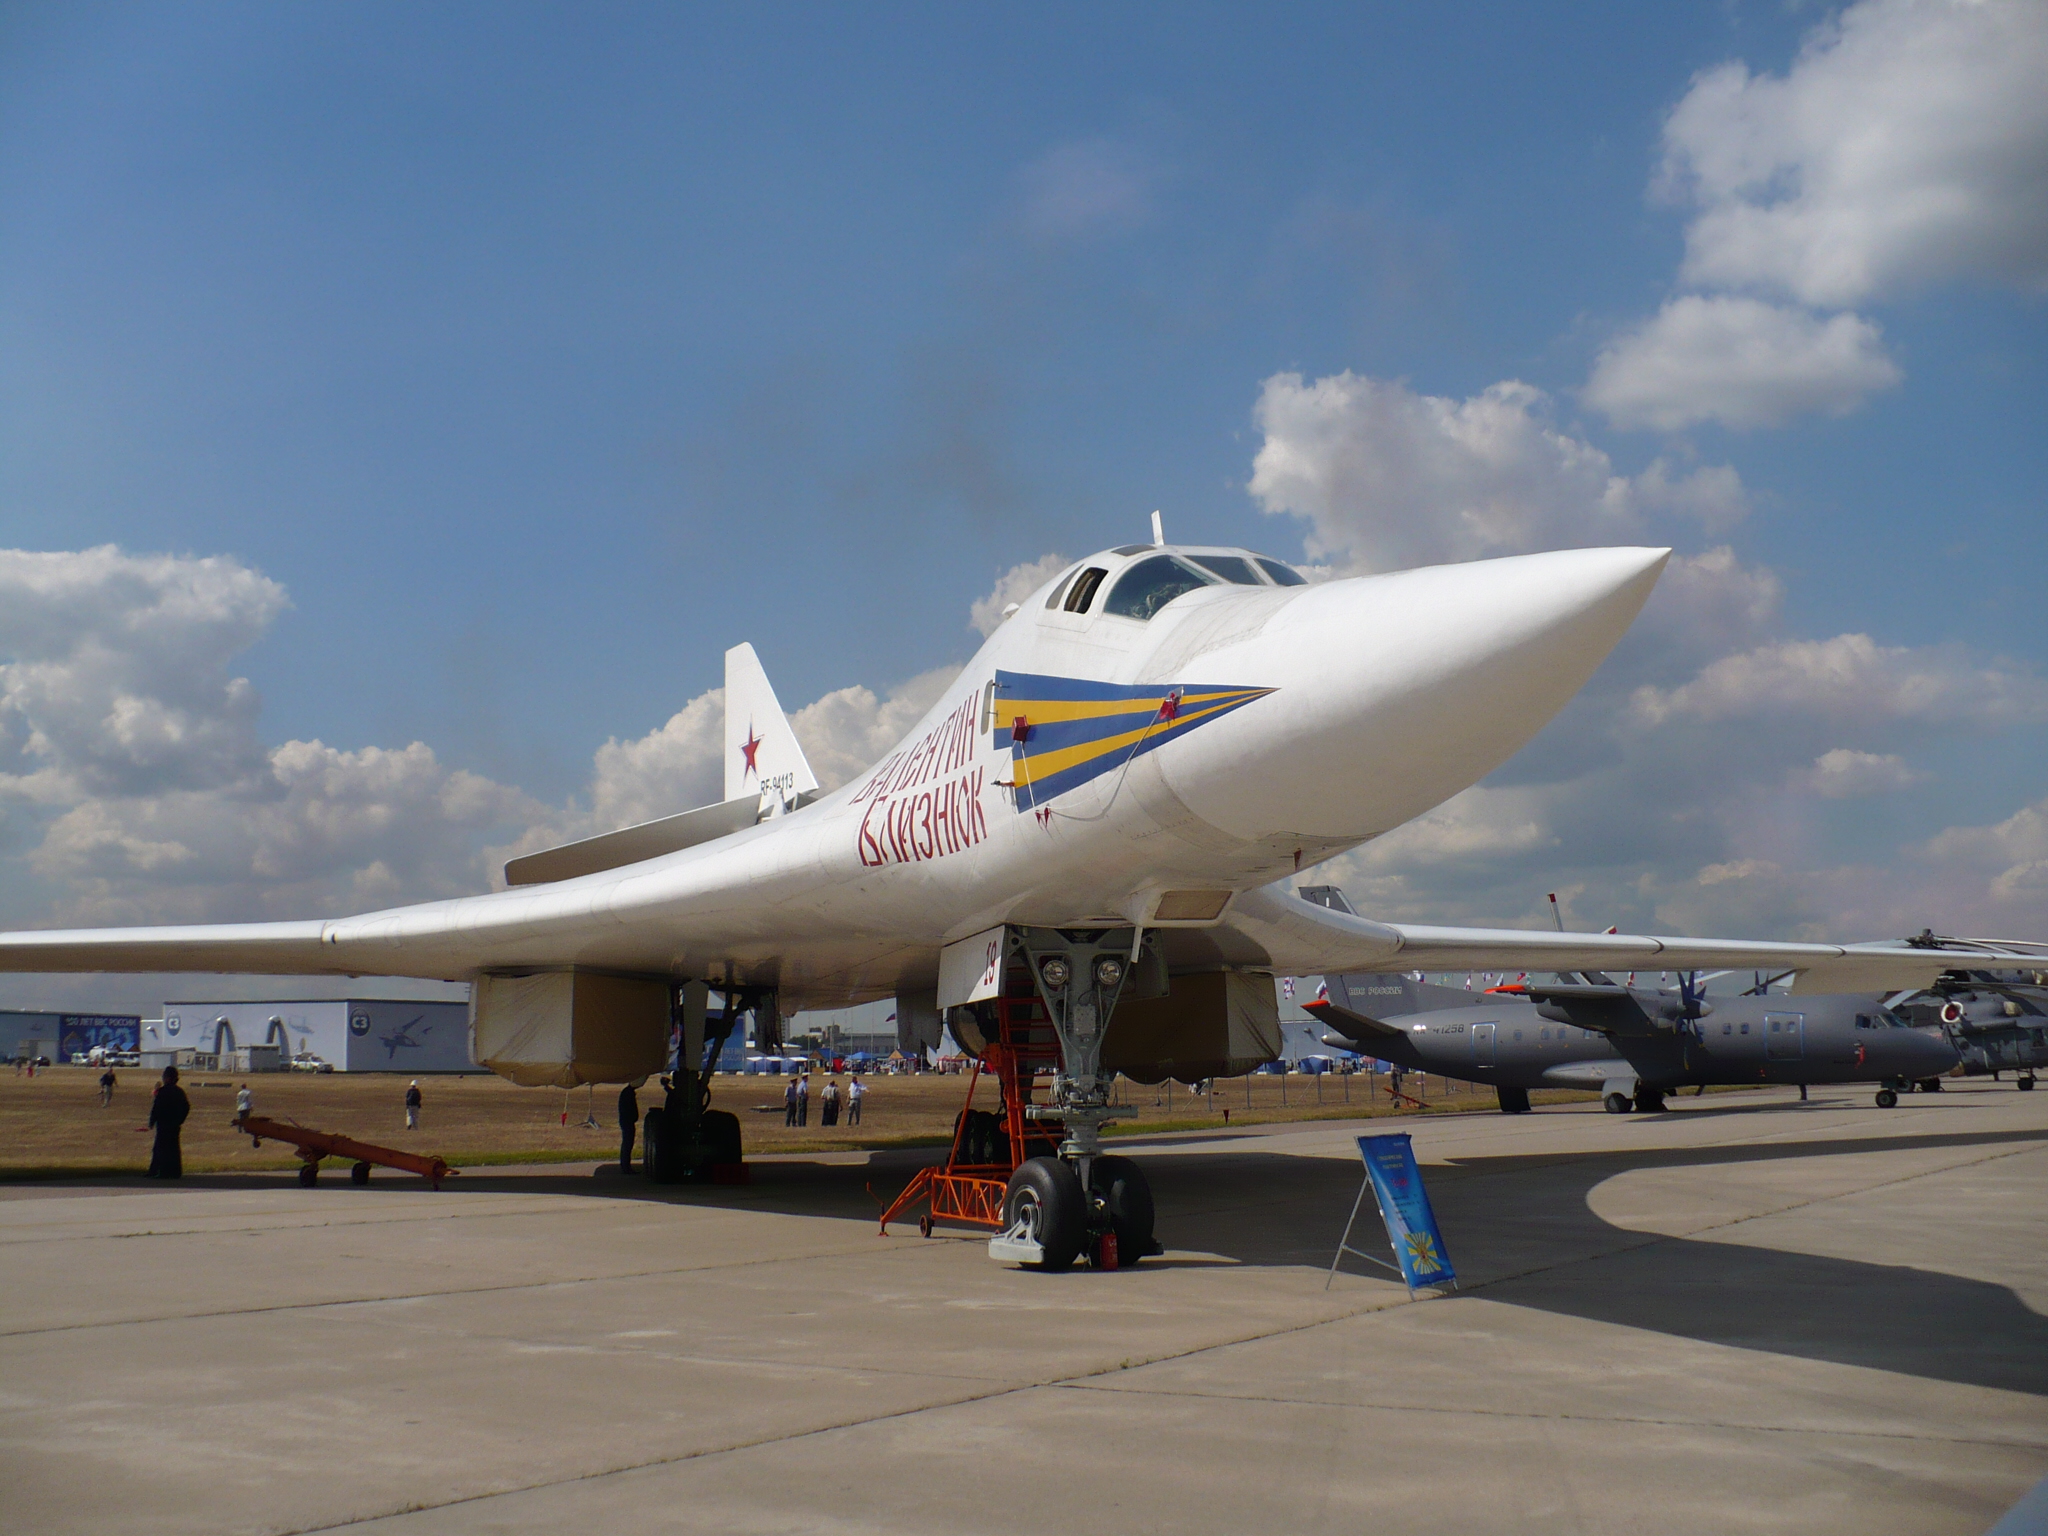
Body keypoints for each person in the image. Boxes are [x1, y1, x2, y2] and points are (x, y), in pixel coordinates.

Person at [147, 1066, 190, 1179]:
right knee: (174, 1148)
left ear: (167, 1078)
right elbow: (186, 1107)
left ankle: (158, 1170)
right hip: (174, 1124)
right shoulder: (180, 1092)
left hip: (163, 1124)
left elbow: (156, 1108)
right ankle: (175, 1172)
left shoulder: (163, 1091)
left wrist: (152, 1121)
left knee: (160, 1148)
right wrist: (180, 1120)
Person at [618, 1080, 639, 1170]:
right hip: (628, 1121)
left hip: (626, 1121)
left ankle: (625, 1164)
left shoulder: (626, 1092)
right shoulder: (628, 1093)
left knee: (627, 1143)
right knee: (628, 1143)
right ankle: (626, 1165)